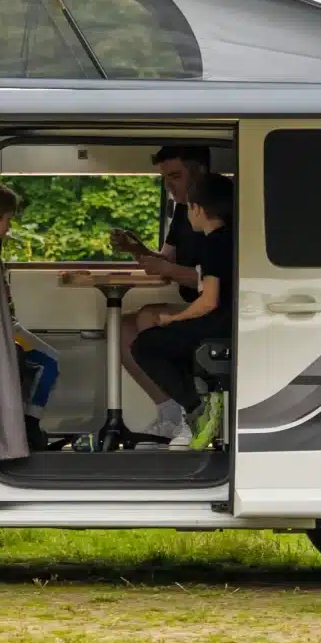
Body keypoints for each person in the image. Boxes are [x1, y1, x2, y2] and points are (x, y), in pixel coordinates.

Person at [109, 145, 209, 438]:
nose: (169, 185)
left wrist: (168, 270)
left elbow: (218, 279)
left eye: (175, 176)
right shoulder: (183, 210)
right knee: (120, 328)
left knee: (148, 318)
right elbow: (168, 259)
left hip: (218, 307)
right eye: (164, 178)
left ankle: (194, 413)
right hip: (196, 303)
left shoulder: (219, 209)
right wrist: (136, 249)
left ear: (199, 172)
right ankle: (170, 413)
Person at [129, 172, 234, 450]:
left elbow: (209, 301)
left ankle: (198, 407)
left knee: (145, 345)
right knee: (170, 339)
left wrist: (172, 319)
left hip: (220, 322)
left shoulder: (213, 243)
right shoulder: (230, 239)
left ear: (198, 209)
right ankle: (201, 404)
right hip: (227, 319)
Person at [0, 181, 59, 448]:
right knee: (49, 363)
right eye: (6, 219)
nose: (8, 227)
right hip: (7, 328)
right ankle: (30, 424)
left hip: (9, 325)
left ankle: (30, 420)